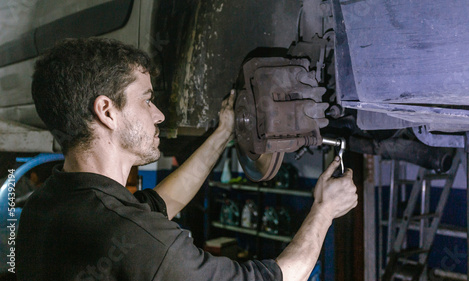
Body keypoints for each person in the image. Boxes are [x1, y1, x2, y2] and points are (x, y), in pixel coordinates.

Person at [17, 37, 358, 281]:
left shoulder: (47, 203)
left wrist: (224, 132)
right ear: (107, 111)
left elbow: (164, 202)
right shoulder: (134, 238)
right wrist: (324, 211)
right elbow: (281, 277)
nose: (159, 115)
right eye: (147, 101)